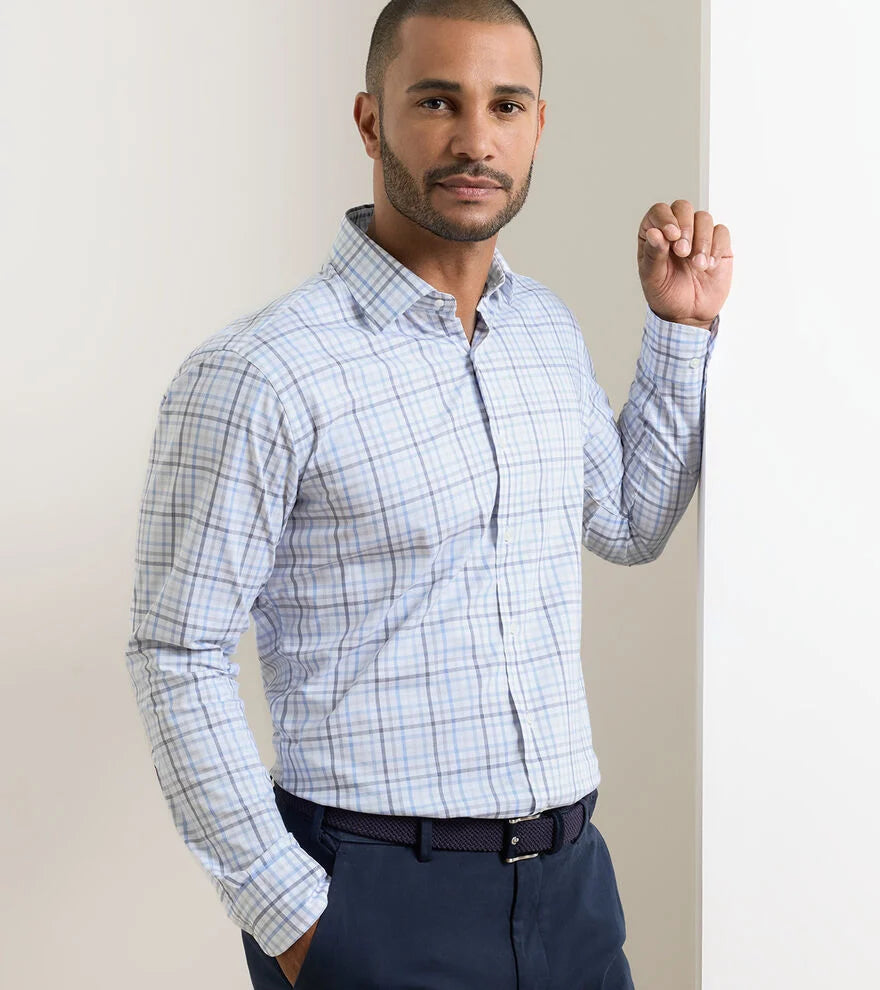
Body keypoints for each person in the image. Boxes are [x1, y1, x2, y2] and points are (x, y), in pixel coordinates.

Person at [124, 1, 732, 987]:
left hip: (572, 889)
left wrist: (680, 328)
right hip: (371, 898)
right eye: (439, 101)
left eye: (506, 105)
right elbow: (174, 655)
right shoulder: (261, 372)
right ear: (371, 121)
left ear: (539, 125)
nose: (476, 140)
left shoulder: (543, 331)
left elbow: (625, 522)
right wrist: (295, 921)